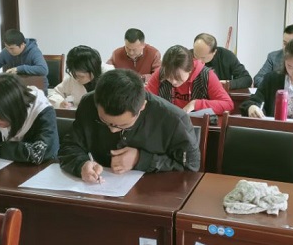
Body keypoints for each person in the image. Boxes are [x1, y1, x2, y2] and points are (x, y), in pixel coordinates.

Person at [59, 69, 200, 183]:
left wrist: (140, 159)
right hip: (101, 188)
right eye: (104, 121)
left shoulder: (174, 119)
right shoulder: (88, 104)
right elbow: (69, 146)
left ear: (142, 106)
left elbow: (191, 169)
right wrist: (81, 164)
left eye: (123, 125)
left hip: (155, 195)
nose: (113, 130)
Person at [146, 45, 234, 115]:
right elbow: (145, 97)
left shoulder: (207, 75)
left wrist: (195, 104)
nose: (173, 82)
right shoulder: (161, 72)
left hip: (196, 126)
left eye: (178, 77)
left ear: (190, 70)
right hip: (167, 123)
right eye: (168, 76)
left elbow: (228, 105)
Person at [48, 45, 114, 109]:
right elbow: (54, 93)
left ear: (93, 70)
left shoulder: (111, 75)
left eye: (81, 76)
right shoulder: (73, 77)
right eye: (74, 75)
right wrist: (60, 102)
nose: (77, 79)